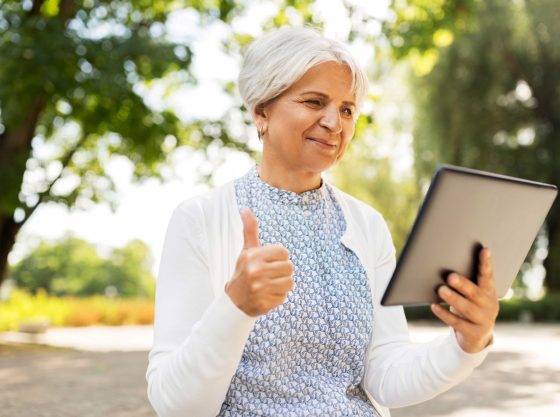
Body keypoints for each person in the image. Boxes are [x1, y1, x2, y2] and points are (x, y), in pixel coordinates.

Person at [146, 26, 499, 417]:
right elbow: (176, 406)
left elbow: (386, 375)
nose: (335, 122)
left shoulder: (366, 225)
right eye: (315, 102)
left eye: (347, 109)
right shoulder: (199, 220)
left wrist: (467, 344)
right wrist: (235, 307)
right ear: (261, 111)